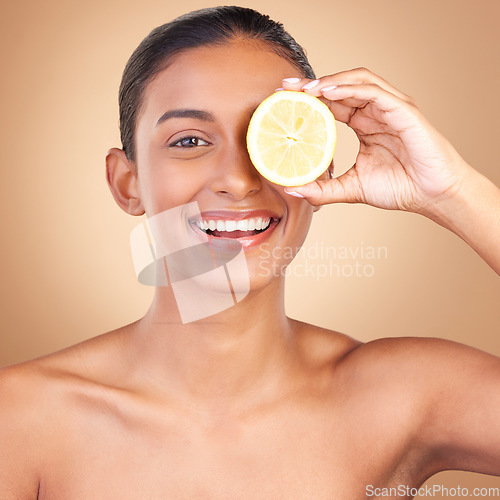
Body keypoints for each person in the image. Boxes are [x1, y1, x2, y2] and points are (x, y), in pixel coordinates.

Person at [1, 6, 499, 498]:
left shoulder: (400, 399)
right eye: (191, 139)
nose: (239, 181)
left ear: (318, 170)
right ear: (127, 183)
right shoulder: (21, 418)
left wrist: (451, 192)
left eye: (272, 135)